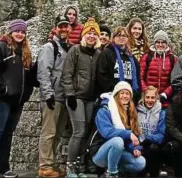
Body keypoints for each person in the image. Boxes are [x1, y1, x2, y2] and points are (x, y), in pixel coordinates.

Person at [0, 19, 37, 178]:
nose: (20, 34)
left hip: (17, 100)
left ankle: (3, 168)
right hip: (0, 98)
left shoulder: (25, 51)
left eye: (22, 31)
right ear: (11, 32)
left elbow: (28, 76)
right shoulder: (1, 47)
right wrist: (1, 90)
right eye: (17, 31)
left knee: (7, 133)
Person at [61, 18, 102, 177]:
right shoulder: (76, 50)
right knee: (78, 131)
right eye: (89, 33)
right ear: (84, 35)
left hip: (90, 98)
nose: (92, 36)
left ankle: (79, 165)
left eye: (94, 33)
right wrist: (70, 93)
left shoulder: (98, 54)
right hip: (76, 96)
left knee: (85, 133)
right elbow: (67, 74)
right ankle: (70, 166)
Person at [37, 15, 72, 178]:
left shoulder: (68, 47)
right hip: (52, 97)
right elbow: (43, 71)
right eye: (61, 26)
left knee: (57, 134)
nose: (64, 29)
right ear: (56, 29)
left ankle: (51, 164)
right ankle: (44, 167)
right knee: (49, 132)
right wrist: (48, 94)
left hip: (64, 97)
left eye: (66, 26)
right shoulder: (49, 47)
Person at [92, 82, 146, 177]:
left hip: (118, 153)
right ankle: (112, 174)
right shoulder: (104, 110)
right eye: (122, 93)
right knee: (118, 141)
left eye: (127, 93)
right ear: (116, 95)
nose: (125, 96)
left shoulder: (129, 112)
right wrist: (128, 134)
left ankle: (111, 170)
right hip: (100, 154)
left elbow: (128, 141)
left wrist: (134, 148)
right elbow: (107, 132)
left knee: (141, 162)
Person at [96, 27, 141, 103]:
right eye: (118, 35)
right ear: (113, 38)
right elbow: (102, 75)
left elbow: (137, 77)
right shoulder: (107, 53)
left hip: (129, 97)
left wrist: (136, 94)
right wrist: (114, 90)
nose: (121, 38)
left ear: (127, 38)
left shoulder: (131, 57)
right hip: (112, 96)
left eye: (124, 36)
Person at [139, 30, 178, 108]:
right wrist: (147, 92)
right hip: (148, 100)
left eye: (163, 42)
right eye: (158, 42)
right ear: (154, 43)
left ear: (167, 43)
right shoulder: (147, 57)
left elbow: (176, 80)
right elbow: (140, 77)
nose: (160, 45)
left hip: (166, 100)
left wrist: (165, 94)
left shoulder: (173, 58)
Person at [137, 86, 167, 177]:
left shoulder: (162, 113)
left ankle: (154, 173)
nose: (150, 100)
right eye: (147, 97)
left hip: (152, 145)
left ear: (156, 98)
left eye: (153, 97)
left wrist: (146, 138)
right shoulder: (136, 110)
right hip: (138, 144)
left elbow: (161, 136)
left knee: (154, 149)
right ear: (143, 98)